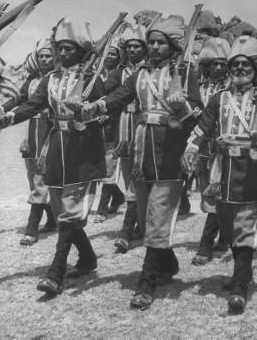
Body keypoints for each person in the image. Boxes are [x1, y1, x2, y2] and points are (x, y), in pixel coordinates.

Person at [82, 16, 202, 310]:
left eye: (161, 42)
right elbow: (118, 97)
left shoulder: (185, 73)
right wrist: (93, 107)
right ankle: (169, 264)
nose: (155, 46)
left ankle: (146, 282)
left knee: (159, 217)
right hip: (142, 154)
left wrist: (182, 106)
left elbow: (199, 112)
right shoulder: (139, 75)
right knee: (149, 218)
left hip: (170, 154)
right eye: (152, 41)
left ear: (174, 46)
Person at [0, 19, 106, 296]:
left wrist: (86, 111)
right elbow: (32, 105)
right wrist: (7, 118)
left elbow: (106, 112)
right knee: (62, 214)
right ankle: (88, 258)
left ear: (81, 51)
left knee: (70, 214)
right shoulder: (50, 79)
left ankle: (55, 272)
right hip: (57, 148)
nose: (62, 53)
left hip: (83, 150)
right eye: (59, 48)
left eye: (68, 48)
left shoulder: (93, 79)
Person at [182, 35, 257, 312]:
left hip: (252, 167)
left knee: (245, 227)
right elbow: (203, 126)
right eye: (234, 64)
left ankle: (239, 286)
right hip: (221, 168)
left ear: (256, 69)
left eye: (245, 64)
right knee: (226, 225)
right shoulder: (218, 98)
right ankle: (242, 272)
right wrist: (191, 146)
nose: (239, 68)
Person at [2, 38, 57, 245]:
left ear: (54, 58)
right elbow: (18, 99)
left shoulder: (57, 79)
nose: (44, 59)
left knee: (40, 180)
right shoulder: (33, 80)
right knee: (32, 178)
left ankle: (32, 229)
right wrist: (1, 110)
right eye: (41, 56)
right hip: (31, 132)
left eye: (48, 56)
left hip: (48, 131)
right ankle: (52, 220)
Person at [102, 25, 148, 253]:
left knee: (142, 177)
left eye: (137, 46)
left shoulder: (151, 71)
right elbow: (107, 94)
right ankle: (130, 227)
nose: (132, 50)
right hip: (123, 129)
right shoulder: (118, 73)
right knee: (131, 176)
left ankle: (135, 226)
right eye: (129, 46)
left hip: (145, 127)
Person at [190, 37, 231, 265]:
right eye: (213, 64)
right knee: (208, 194)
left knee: (218, 193)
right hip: (203, 147)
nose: (217, 68)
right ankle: (224, 236)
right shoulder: (198, 87)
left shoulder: (231, 90)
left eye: (222, 64)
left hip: (223, 149)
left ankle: (205, 244)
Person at [95, 35, 126, 223]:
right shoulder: (96, 73)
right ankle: (118, 195)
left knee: (109, 165)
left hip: (113, 122)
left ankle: (101, 208)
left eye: (113, 54)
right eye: (107, 53)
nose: (109, 57)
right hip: (95, 125)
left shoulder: (120, 75)